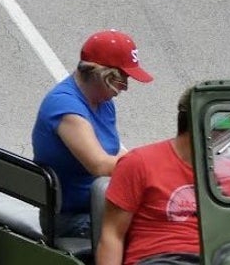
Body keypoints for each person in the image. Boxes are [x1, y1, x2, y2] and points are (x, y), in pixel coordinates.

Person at [32, 29, 153, 238]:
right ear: (102, 74)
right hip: (74, 218)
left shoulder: (104, 102)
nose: (125, 88)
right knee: (153, 235)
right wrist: (157, 163)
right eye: (122, 79)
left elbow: (117, 153)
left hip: (103, 204)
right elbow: (100, 165)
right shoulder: (65, 106)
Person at [97, 87, 213, 265]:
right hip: (160, 259)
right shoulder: (139, 163)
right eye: (227, 123)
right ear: (199, 121)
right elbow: (112, 235)